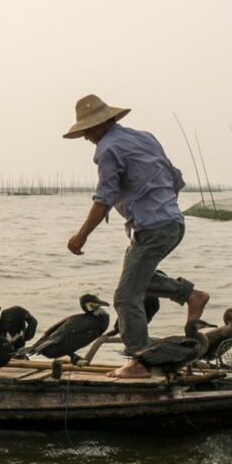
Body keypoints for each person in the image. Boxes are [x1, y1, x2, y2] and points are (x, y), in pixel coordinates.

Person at [64, 93, 209, 378]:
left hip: (154, 228)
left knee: (125, 297)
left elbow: (104, 197)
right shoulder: (145, 138)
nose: (87, 138)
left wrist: (81, 236)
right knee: (135, 282)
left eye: (88, 131)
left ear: (102, 124)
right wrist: (160, 206)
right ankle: (192, 295)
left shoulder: (107, 149)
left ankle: (141, 362)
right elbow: (175, 178)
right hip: (172, 224)